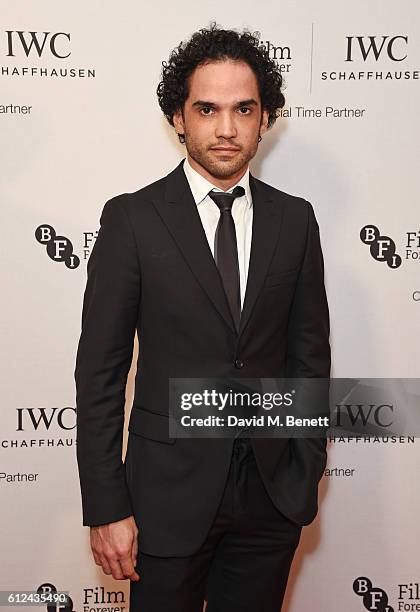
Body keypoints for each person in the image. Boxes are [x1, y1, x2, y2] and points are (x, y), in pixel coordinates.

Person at [75, 22, 331, 612]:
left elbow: (309, 356)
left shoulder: (295, 221)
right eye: (207, 109)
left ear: (265, 118)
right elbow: (100, 377)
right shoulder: (133, 220)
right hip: (164, 498)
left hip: (271, 498)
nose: (225, 128)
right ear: (178, 118)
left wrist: (304, 467)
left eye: (244, 109)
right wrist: (107, 506)